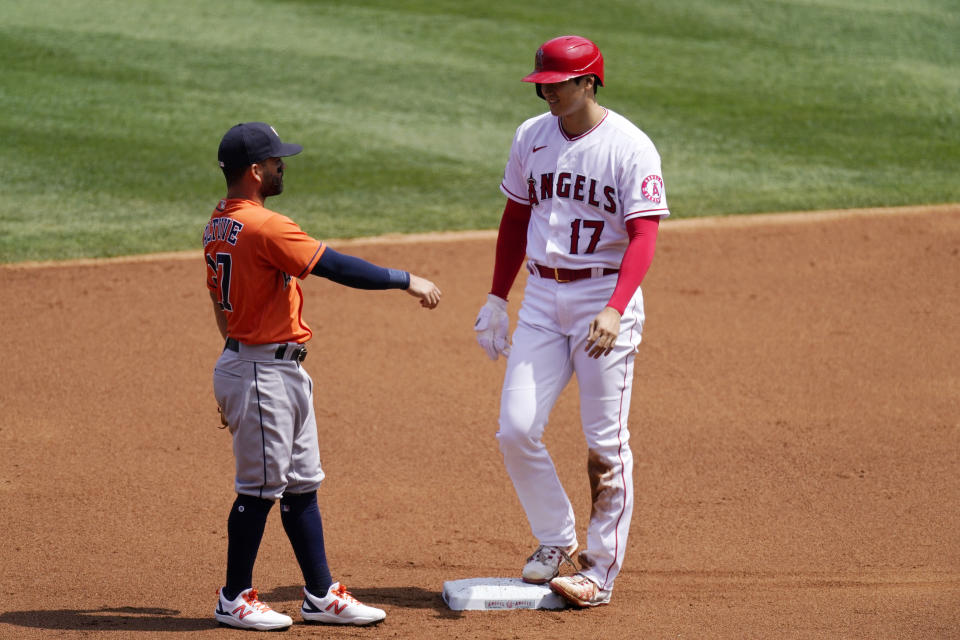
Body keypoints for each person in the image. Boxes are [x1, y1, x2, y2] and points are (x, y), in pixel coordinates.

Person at [204, 122, 441, 631]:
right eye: (275, 161)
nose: (282, 166)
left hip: (262, 366)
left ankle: (319, 594)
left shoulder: (219, 222)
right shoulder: (267, 226)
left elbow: (220, 303)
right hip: (261, 370)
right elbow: (335, 266)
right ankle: (233, 597)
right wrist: (406, 280)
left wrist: (232, 363)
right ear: (254, 170)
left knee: (301, 484)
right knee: (259, 488)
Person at [473, 36, 669, 608]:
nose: (547, 93)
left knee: (606, 443)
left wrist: (615, 305)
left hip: (603, 302)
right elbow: (514, 219)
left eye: (556, 84)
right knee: (514, 428)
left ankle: (601, 571)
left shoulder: (630, 148)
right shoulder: (530, 137)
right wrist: (495, 297)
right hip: (540, 299)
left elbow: (644, 236)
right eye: (542, 84)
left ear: (589, 82)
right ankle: (557, 540)